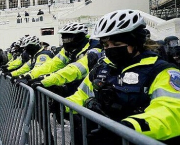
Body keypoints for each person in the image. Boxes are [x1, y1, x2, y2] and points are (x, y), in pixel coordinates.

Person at [66, 9, 180, 144]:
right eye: (106, 45)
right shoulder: (102, 67)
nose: (110, 49)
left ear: (136, 43)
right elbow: (82, 95)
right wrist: (62, 104)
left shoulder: (162, 71)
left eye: (117, 45)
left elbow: (171, 112)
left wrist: (127, 128)